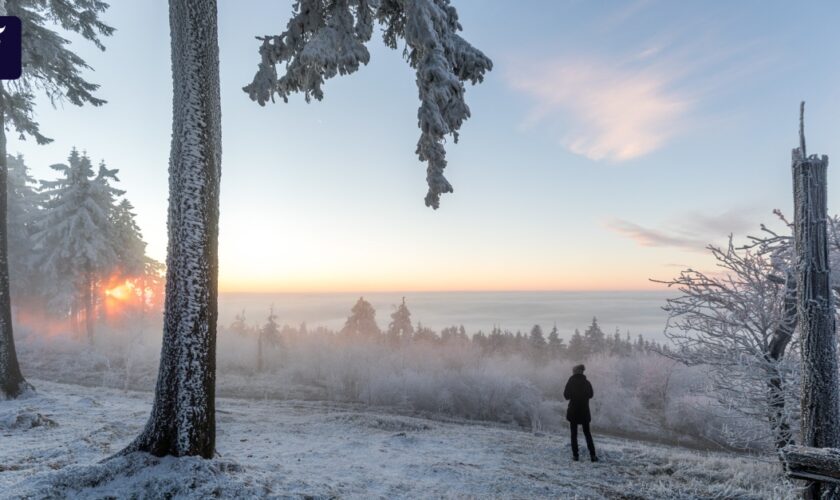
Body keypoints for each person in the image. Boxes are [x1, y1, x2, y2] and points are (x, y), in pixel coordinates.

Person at [564, 364, 598, 462]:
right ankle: (593, 455)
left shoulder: (571, 381)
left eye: (573, 370)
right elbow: (591, 395)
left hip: (573, 411)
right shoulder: (587, 383)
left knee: (573, 434)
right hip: (584, 411)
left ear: (576, 371)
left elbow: (566, 395)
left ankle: (575, 456)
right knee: (587, 433)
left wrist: (573, 395)